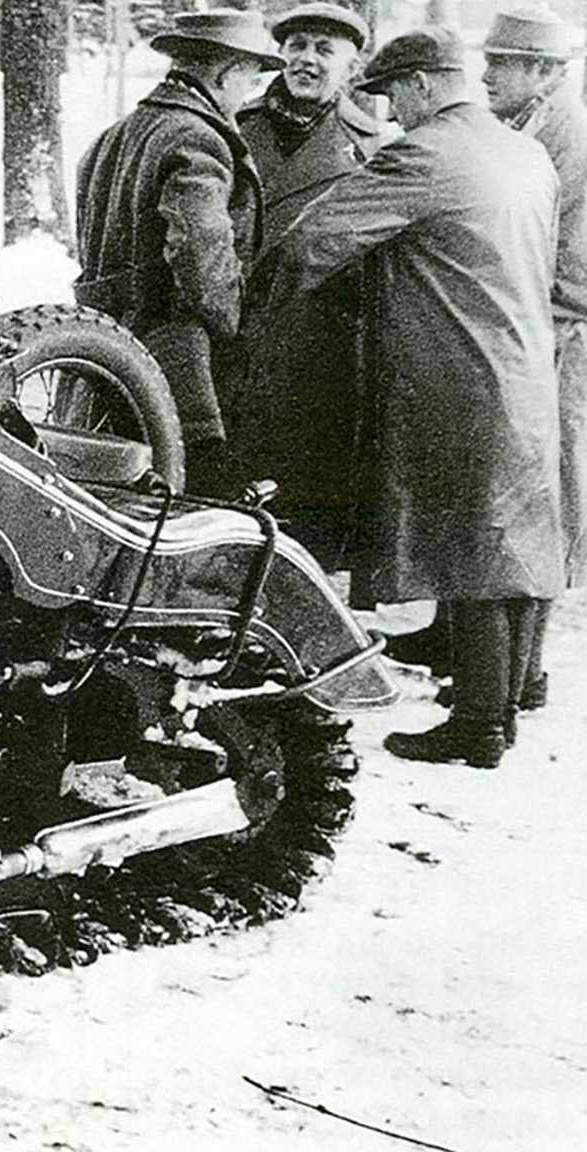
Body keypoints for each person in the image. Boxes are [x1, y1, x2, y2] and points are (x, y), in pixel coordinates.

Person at [264, 27, 564, 768]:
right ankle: (506, 705)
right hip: (525, 369)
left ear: (426, 84)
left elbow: (312, 242)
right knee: (514, 545)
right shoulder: (527, 153)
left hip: (458, 380)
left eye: (394, 94)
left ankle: (479, 728)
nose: (391, 112)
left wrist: (258, 318)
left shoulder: (426, 151)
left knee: (476, 550)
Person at [73, 9, 282, 497]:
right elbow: (199, 257)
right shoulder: (198, 138)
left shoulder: (114, 136)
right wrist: (236, 328)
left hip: (100, 355)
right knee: (189, 514)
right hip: (179, 368)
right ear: (226, 74)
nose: (249, 92)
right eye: (250, 77)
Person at [225, 3, 395, 563]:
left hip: (322, 346)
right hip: (236, 333)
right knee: (232, 486)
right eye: (297, 46)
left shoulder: (373, 146)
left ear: (351, 64)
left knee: (310, 492)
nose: (306, 60)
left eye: (325, 50)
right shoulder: (233, 125)